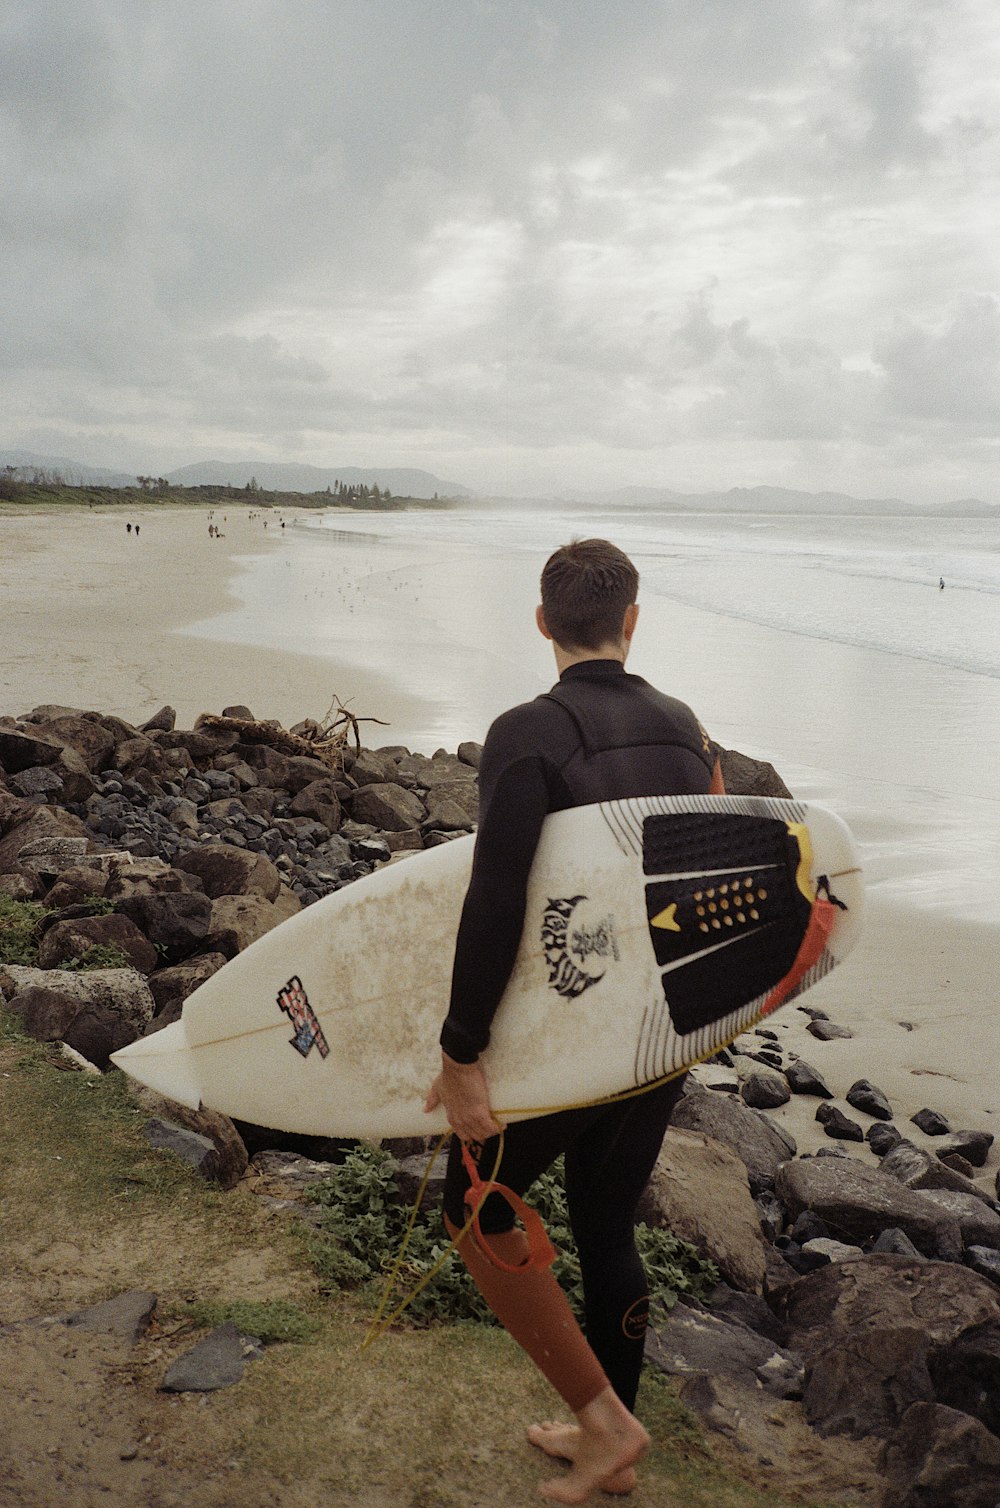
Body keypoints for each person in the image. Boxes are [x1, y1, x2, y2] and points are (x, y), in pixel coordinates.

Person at [425, 539, 723, 1503]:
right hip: (663, 1025)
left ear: (544, 622)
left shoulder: (527, 732)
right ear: (632, 622)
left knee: (472, 1209)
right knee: (604, 1220)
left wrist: (462, 1050)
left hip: (572, 1036)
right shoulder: (685, 729)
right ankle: (611, 1445)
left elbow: (498, 894)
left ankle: (604, 1427)